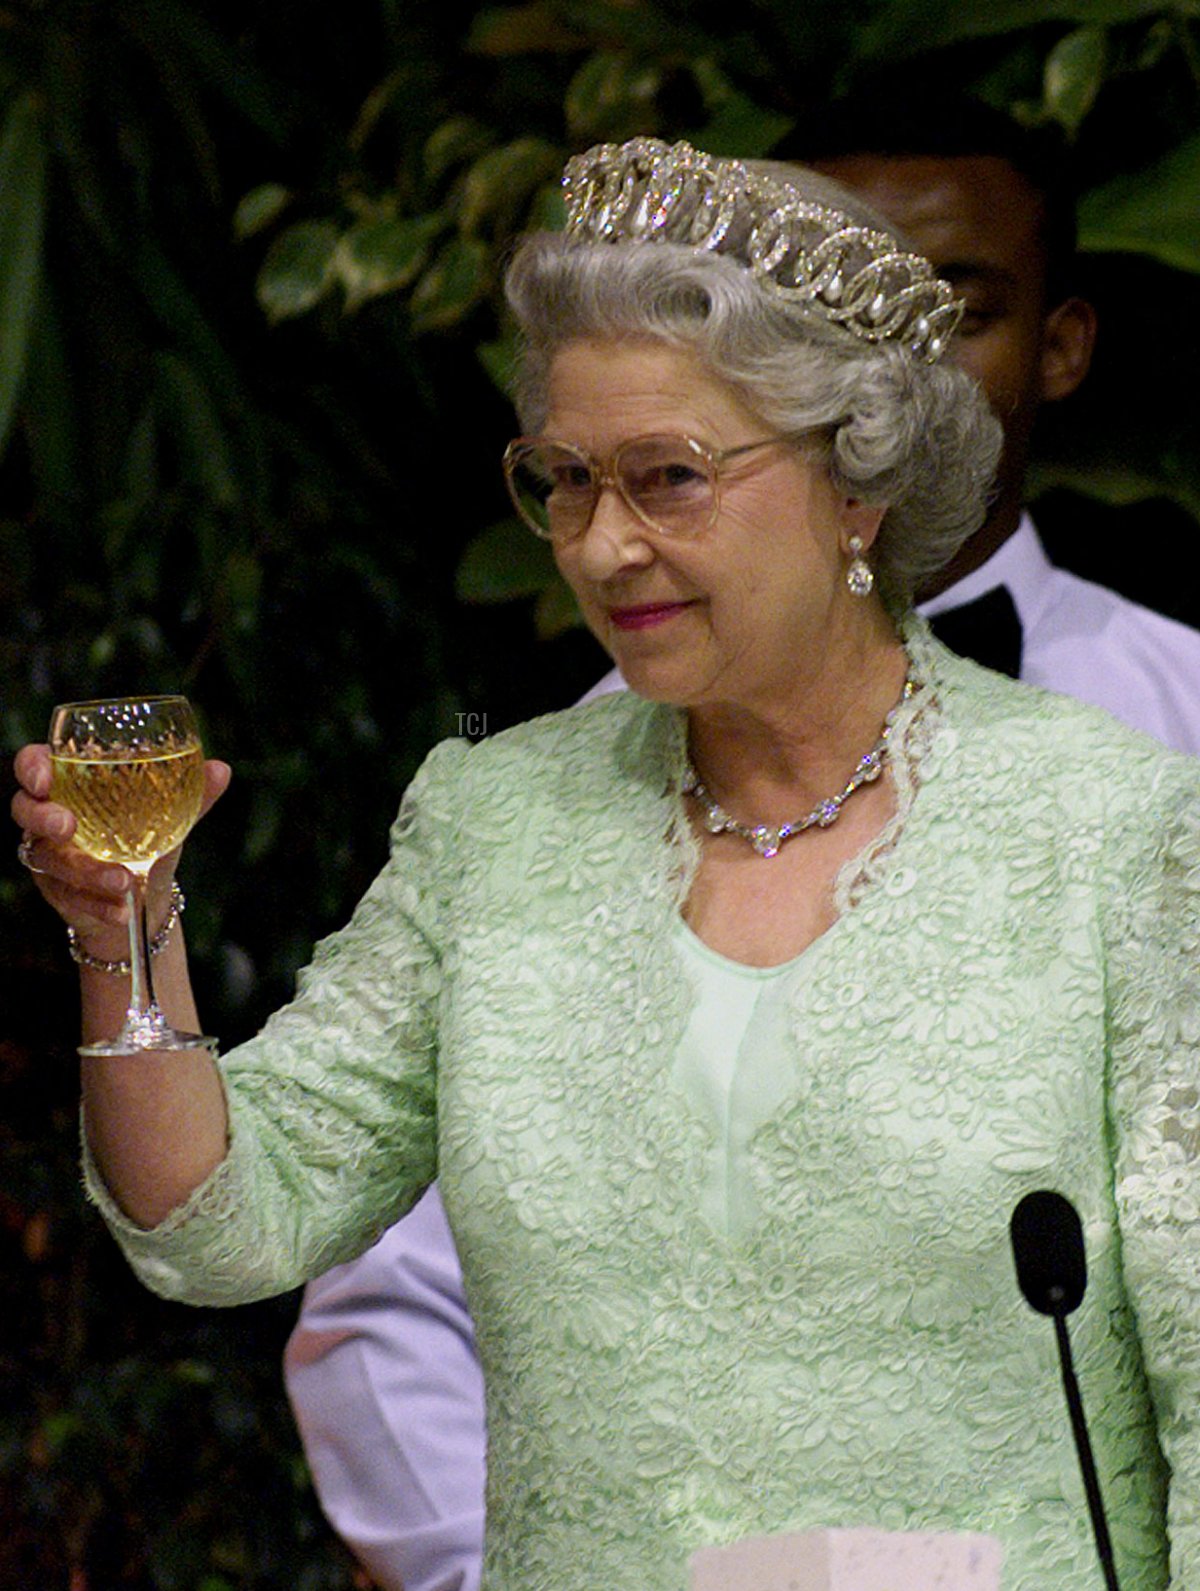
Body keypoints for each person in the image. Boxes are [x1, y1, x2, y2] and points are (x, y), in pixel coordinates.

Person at [14, 139, 1200, 1590]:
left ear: (857, 487)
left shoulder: (1113, 825)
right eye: (563, 483)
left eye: (669, 479)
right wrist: (123, 930)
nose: (603, 546)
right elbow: (217, 1220)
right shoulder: (490, 826)